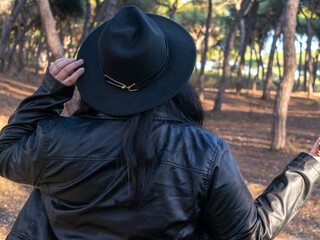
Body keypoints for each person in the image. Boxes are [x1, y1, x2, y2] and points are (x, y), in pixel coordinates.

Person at [1, 5, 320, 240]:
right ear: (171, 77)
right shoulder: (204, 152)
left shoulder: (54, 140)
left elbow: (5, 154)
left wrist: (49, 93)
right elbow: (247, 234)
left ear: (99, 74)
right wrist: (308, 166)